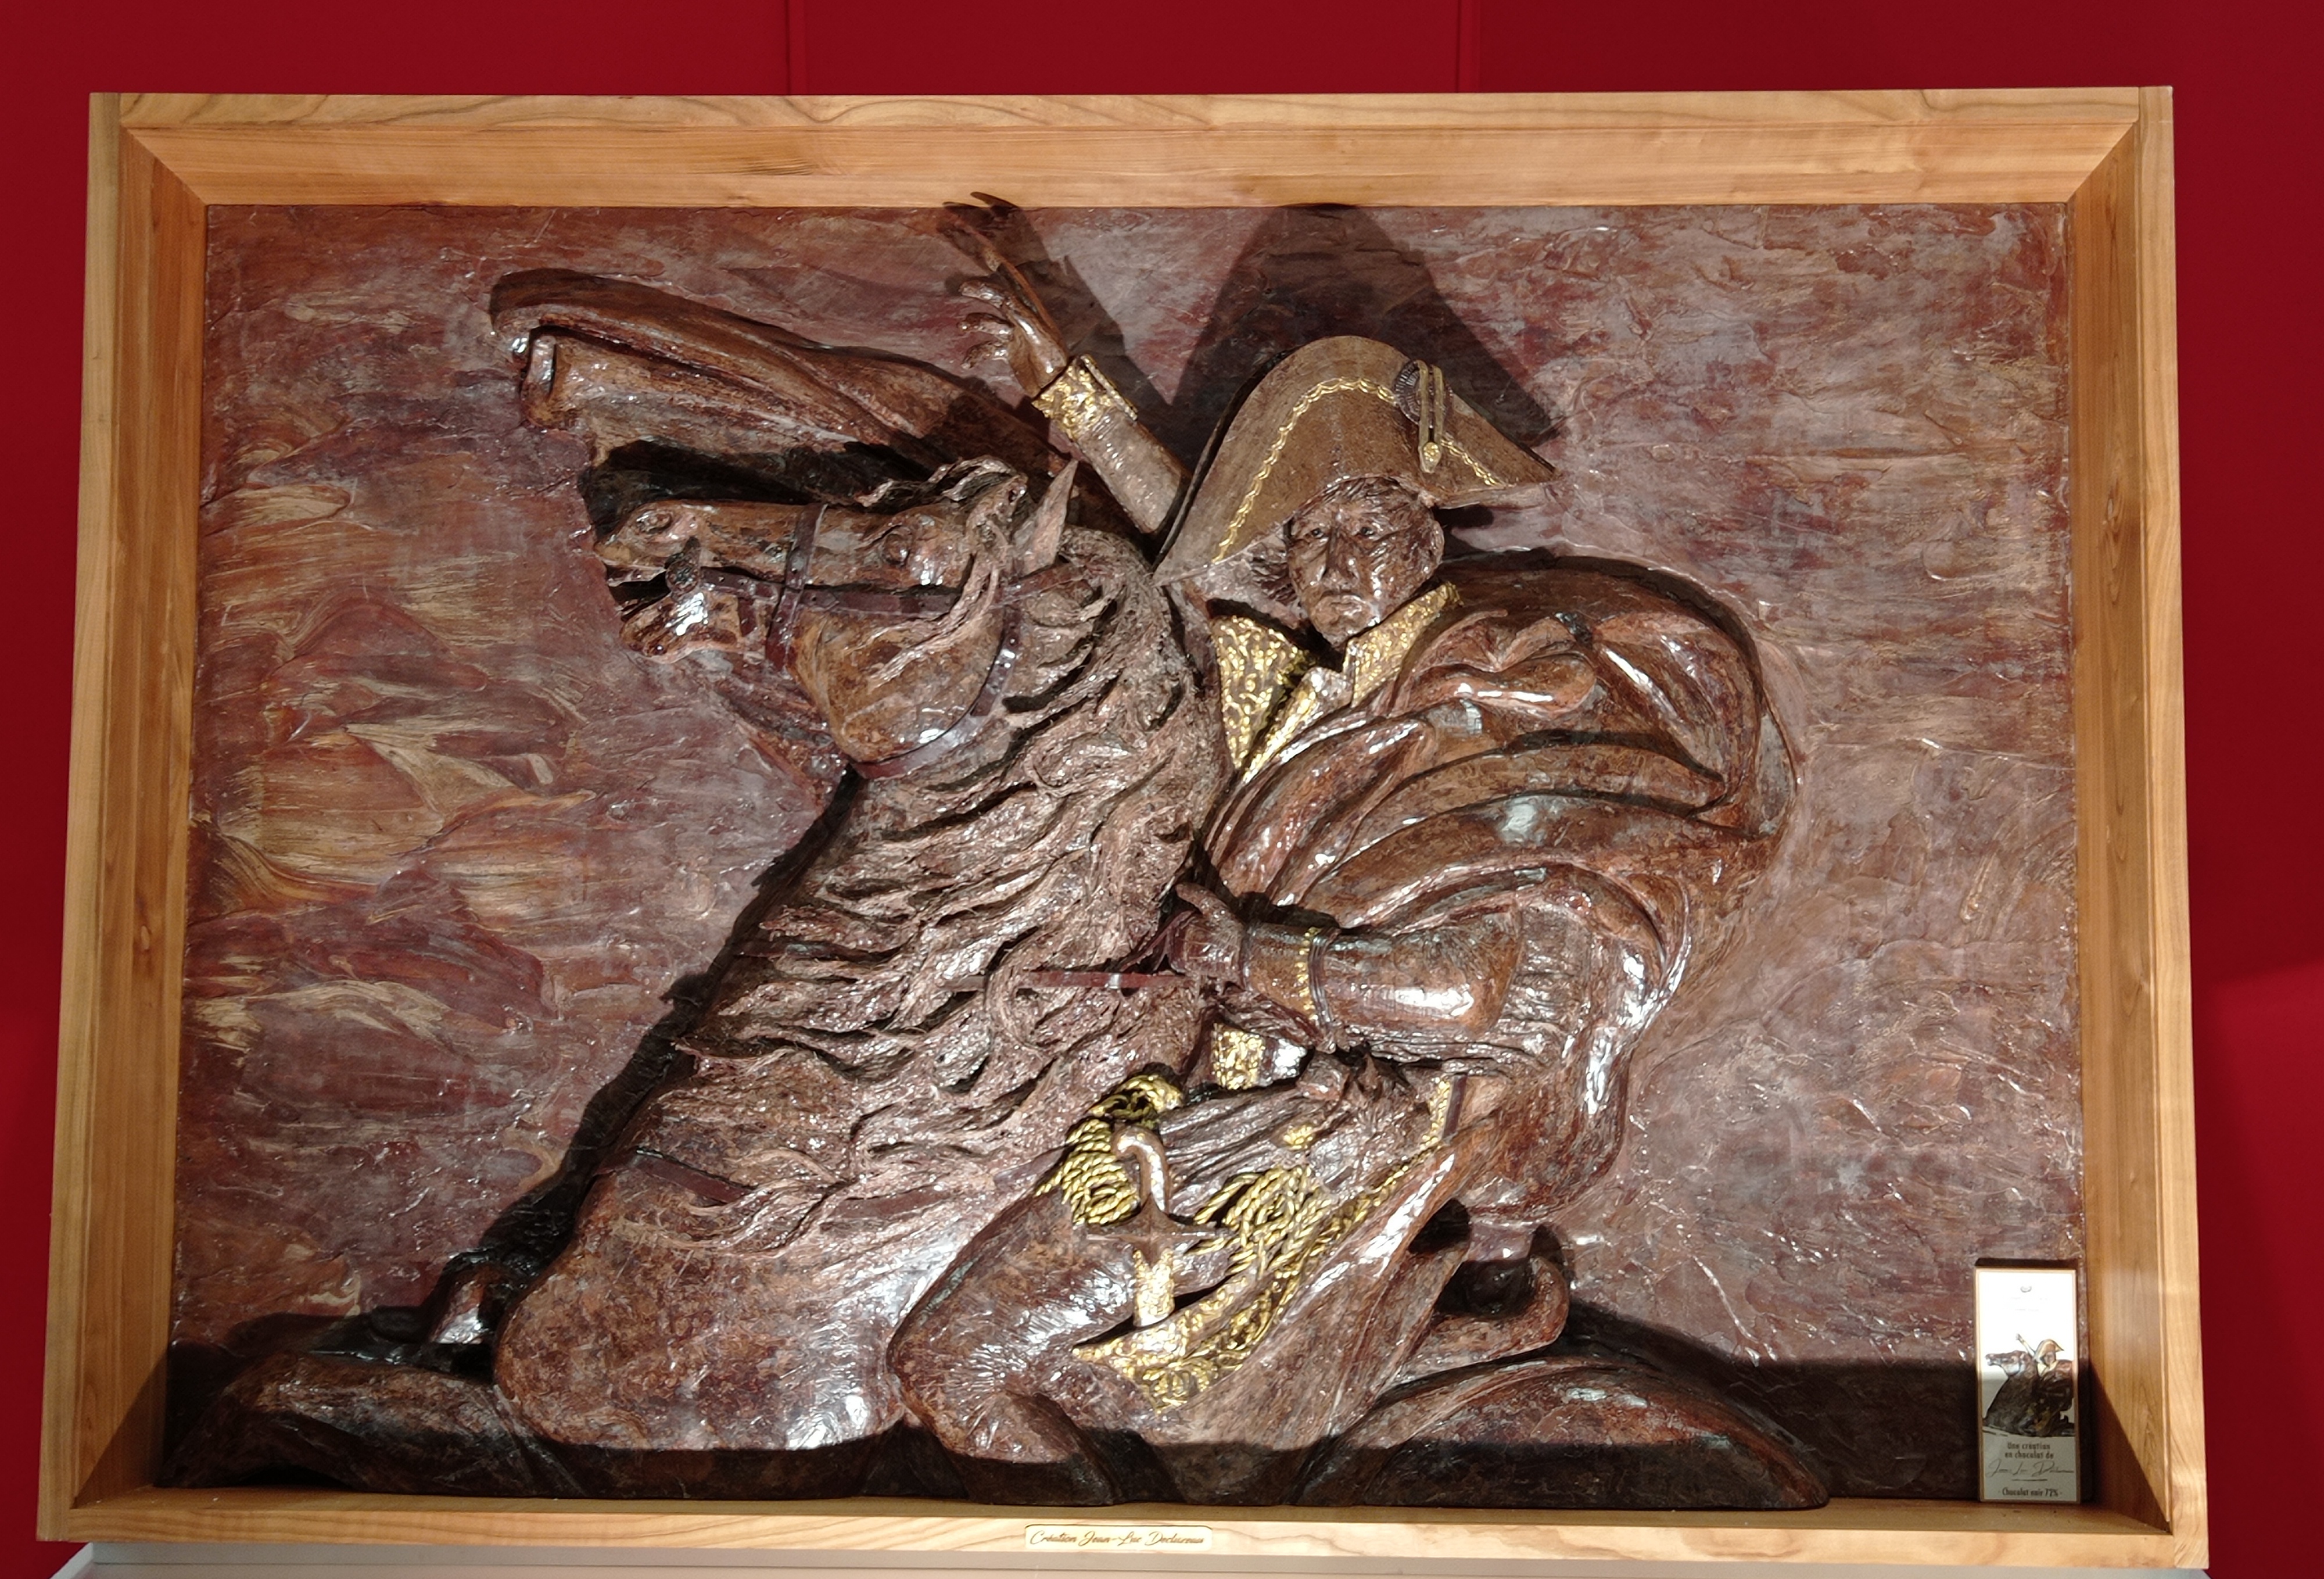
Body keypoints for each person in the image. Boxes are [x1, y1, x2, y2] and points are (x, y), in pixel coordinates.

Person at [890, 276, 1800, 1503]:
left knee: (965, 1370)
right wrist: (1068, 392)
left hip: (1331, 1145)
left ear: (1425, 540)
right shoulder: (1319, 688)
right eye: (1310, 541)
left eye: (1364, 532)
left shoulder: (1503, 704)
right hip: (1217, 1101)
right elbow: (1204, 557)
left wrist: (1248, 959)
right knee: (963, 1370)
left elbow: (1490, 999)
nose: (1331, 563)